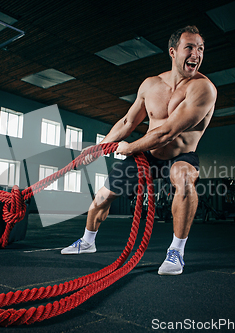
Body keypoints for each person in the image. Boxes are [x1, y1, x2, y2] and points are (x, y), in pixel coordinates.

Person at [61, 25, 217, 275]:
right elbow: (127, 122)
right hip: (148, 155)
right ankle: (87, 241)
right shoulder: (151, 85)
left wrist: (129, 147)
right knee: (102, 196)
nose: (196, 54)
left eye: (200, 48)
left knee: (184, 180)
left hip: (181, 155)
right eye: (190, 47)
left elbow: (168, 132)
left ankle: (176, 251)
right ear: (173, 51)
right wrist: (99, 149)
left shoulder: (203, 88)